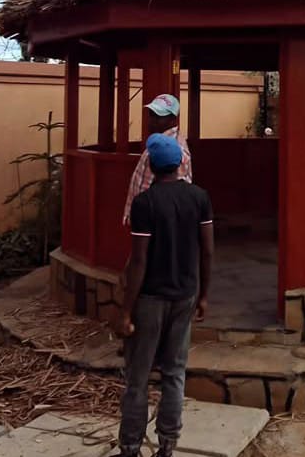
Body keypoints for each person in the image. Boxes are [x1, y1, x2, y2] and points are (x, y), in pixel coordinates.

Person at [115, 133, 214, 457]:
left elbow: (139, 261)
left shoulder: (145, 203)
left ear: (151, 166)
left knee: (138, 377)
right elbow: (207, 251)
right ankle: (168, 445)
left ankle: (130, 447)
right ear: (180, 162)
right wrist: (203, 295)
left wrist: (126, 311)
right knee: (174, 372)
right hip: (185, 296)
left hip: (150, 299)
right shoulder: (199, 198)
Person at [123, 94, 192, 225]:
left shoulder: (174, 148)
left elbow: (175, 190)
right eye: (151, 115)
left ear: (172, 119)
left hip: (156, 218)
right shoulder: (159, 141)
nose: (152, 121)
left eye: (158, 117)